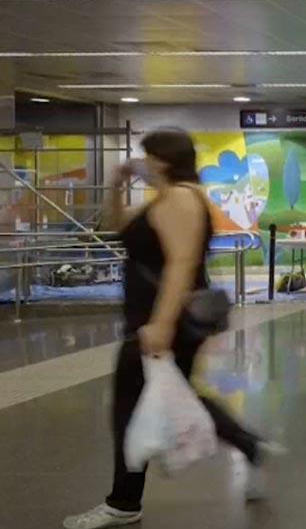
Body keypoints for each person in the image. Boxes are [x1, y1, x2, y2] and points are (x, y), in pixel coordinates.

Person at [64, 129, 280, 529]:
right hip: (155, 321)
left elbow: (181, 264)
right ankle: (249, 446)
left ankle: (124, 501)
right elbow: (120, 229)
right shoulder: (165, 198)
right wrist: (117, 185)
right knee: (181, 395)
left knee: (128, 409)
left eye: (146, 156)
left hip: (163, 322)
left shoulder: (181, 198)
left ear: (162, 159)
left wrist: (160, 325)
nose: (141, 162)